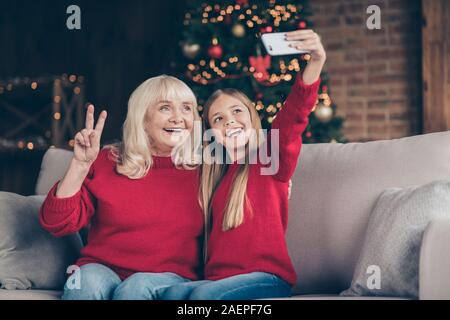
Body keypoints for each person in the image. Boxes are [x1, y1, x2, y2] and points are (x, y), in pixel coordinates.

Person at [162, 29, 326, 300]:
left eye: (237, 111)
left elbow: (294, 115)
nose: (229, 121)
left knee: (201, 300)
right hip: (216, 280)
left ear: (251, 117)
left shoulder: (270, 159)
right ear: (211, 134)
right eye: (218, 119)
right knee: (170, 295)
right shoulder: (213, 174)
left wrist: (316, 60)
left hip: (266, 278)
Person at [40, 75, 204, 300]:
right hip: (101, 268)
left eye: (187, 108)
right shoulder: (107, 160)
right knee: (83, 284)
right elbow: (57, 223)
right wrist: (79, 165)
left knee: (135, 288)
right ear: (143, 118)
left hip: (171, 277)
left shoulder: (206, 170)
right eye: (165, 108)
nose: (178, 118)